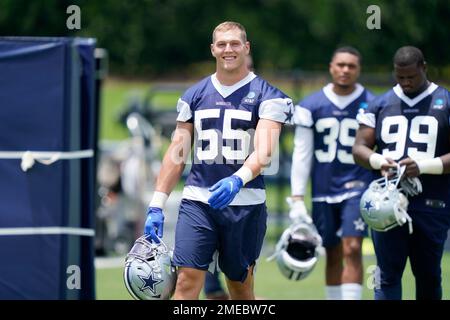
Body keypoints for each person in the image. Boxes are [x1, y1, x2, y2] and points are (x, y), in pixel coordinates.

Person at [143, 21, 293, 300]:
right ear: (213, 49)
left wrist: (238, 178)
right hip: (198, 201)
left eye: (235, 43)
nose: (228, 49)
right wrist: (156, 204)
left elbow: (264, 149)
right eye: (222, 44)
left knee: (240, 288)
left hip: (245, 204)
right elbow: (177, 152)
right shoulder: (194, 95)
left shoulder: (268, 95)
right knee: (185, 282)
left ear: (246, 48)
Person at [353, 46, 450, 300]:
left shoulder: (446, 101)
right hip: (389, 201)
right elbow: (359, 148)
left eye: (411, 77)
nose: (406, 82)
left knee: (429, 274)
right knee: (386, 275)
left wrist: (424, 166)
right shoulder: (380, 103)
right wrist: (379, 161)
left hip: (432, 201)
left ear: (424, 68)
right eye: (400, 77)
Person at [289, 47, 374, 300]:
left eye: (351, 66)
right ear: (331, 67)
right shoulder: (311, 105)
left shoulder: (373, 103)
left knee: (352, 246)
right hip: (324, 189)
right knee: (333, 251)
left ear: (359, 69)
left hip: (358, 185)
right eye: (340, 65)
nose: (345, 70)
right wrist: (296, 197)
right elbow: (301, 153)